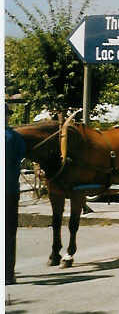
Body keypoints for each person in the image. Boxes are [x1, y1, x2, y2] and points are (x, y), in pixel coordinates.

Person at [6, 108, 27, 285]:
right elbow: (20, 157)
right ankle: (8, 274)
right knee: (8, 233)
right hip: (9, 190)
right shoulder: (13, 137)